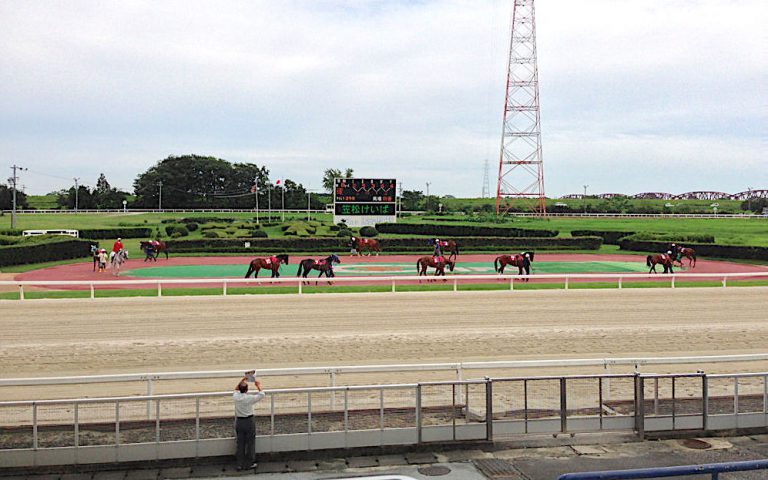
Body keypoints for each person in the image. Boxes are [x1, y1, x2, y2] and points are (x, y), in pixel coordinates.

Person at [233, 372, 265, 471]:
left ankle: (239, 464)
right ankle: (250, 463)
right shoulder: (249, 398)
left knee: (240, 443)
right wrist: (258, 385)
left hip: (239, 421)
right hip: (249, 421)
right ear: (247, 390)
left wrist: (244, 379)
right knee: (250, 443)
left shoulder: (236, 396)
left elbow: (236, 389)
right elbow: (262, 394)